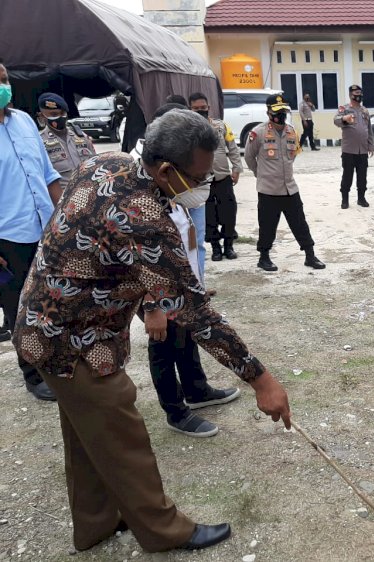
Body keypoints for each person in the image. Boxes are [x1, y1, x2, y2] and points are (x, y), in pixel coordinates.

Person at [13, 109, 292, 554]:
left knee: (87, 433)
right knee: (120, 429)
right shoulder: (143, 217)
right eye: (198, 177)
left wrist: (146, 302)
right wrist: (261, 380)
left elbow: (109, 253)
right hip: (72, 340)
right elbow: (196, 312)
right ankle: (164, 531)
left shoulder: (106, 162)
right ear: (166, 169)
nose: (202, 186)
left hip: (43, 325)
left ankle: (96, 524)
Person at [131, 103, 236, 438]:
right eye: (197, 175)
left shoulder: (171, 184)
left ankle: (196, 390)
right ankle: (176, 411)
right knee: (163, 344)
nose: (201, 180)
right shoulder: (140, 191)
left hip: (180, 283)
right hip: (157, 293)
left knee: (186, 336)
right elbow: (140, 255)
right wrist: (152, 307)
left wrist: (194, 283)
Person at [0, 62, 62, 401]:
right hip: (8, 239)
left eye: (5, 79)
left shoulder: (24, 121)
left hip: (46, 229)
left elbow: (49, 175)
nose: (3, 87)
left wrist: (66, 216)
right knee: (20, 308)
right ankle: (33, 373)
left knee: (52, 299)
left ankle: (54, 360)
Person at [245, 95, 326, 272]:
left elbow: (293, 155)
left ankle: (310, 255)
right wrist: (260, 174)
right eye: (277, 112)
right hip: (268, 190)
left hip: (290, 188)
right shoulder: (257, 133)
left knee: (300, 224)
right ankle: (264, 257)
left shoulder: (291, 131)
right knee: (267, 225)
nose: (281, 115)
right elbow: (249, 157)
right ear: (268, 112)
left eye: (283, 111)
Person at [188, 92, 243, 262]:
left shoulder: (221, 126)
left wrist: (236, 169)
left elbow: (232, 148)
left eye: (203, 108)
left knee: (229, 212)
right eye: (196, 109)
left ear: (209, 108)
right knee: (209, 215)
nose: (200, 111)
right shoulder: (187, 130)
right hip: (201, 181)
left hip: (223, 177)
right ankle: (216, 248)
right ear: (190, 109)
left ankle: (229, 246)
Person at [37, 93, 96, 192]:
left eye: (62, 113)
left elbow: (96, 164)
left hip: (89, 193)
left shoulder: (82, 137)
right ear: (42, 116)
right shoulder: (40, 142)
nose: (60, 117)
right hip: (63, 199)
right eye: (54, 114)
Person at [334, 84, 374, 209]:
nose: (358, 96)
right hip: (349, 150)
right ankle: (345, 199)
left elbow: (368, 129)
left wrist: (371, 145)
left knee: (362, 176)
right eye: (355, 94)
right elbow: (336, 120)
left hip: (362, 150)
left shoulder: (364, 110)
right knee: (347, 175)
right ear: (350, 95)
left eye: (360, 94)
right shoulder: (345, 109)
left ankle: (361, 198)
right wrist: (344, 118)